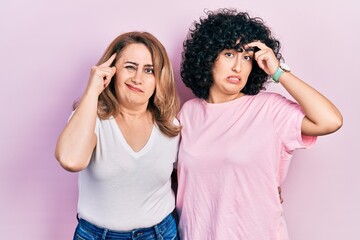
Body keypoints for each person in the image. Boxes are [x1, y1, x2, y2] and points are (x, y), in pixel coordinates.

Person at [176, 9, 343, 240]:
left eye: (246, 57)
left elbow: (330, 120)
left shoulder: (269, 109)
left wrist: (277, 71)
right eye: (229, 54)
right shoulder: (188, 113)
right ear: (207, 57)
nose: (238, 67)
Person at [55, 32, 181, 240]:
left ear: (159, 78)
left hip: (160, 233)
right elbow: (70, 160)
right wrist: (92, 90)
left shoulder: (170, 126)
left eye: (149, 70)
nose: (138, 78)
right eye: (130, 67)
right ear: (111, 71)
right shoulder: (90, 118)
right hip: (96, 235)